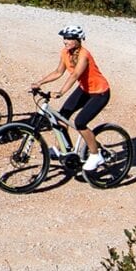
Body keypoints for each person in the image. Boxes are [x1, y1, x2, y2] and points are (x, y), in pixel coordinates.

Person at [31, 24, 110, 173]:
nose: (65, 41)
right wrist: (39, 83)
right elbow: (58, 72)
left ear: (78, 40)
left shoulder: (84, 55)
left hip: (100, 92)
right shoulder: (65, 52)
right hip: (85, 90)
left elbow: (75, 75)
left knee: (80, 123)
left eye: (69, 38)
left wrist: (61, 92)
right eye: (64, 38)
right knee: (62, 117)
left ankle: (96, 155)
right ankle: (64, 149)